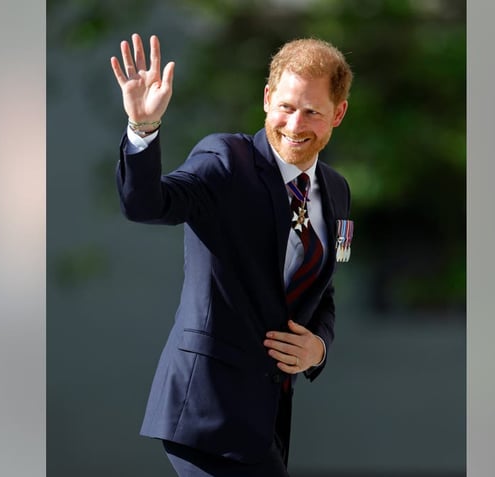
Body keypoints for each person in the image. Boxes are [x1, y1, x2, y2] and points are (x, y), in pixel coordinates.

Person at [110, 33, 353, 476]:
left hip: (267, 417)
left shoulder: (337, 191)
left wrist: (318, 348)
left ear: (338, 113)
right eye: (286, 106)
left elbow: (327, 286)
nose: (295, 125)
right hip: (206, 410)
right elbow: (147, 206)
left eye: (312, 112)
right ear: (266, 99)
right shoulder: (224, 159)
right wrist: (143, 129)